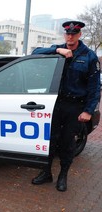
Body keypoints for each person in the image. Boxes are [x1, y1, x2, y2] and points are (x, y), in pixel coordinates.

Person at [31, 21, 101, 192]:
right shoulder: (58, 49)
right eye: (67, 33)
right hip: (56, 103)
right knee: (50, 140)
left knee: (67, 143)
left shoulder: (89, 56)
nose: (70, 36)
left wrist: (88, 110)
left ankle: (63, 175)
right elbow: (35, 53)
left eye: (74, 33)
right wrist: (57, 50)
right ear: (65, 35)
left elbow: (94, 88)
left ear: (79, 35)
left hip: (75, 106)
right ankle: (46, 172)